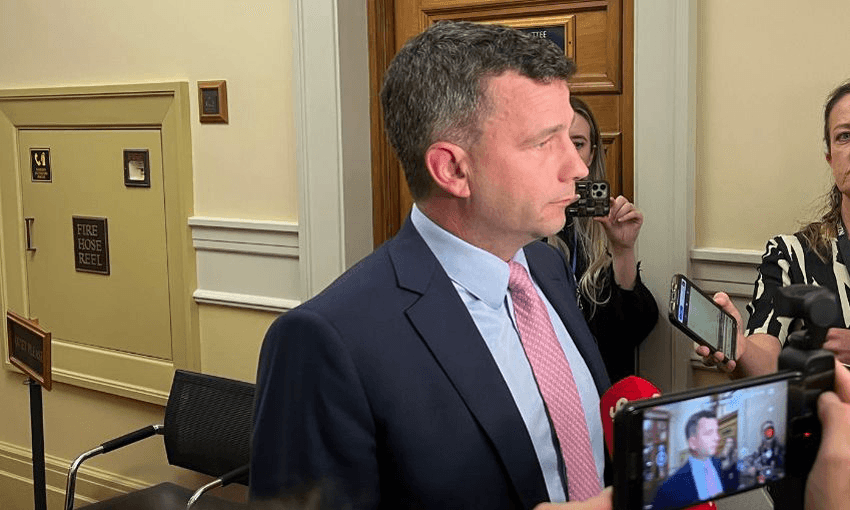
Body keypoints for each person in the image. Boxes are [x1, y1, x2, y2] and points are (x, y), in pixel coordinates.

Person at [250, 21, 613, 509]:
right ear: (453, 169)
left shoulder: (545, 267)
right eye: (545, 142)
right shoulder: (324, 343)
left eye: (571, 138)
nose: (578, 167)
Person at [699, 81, 850, 377]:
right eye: (845, 136)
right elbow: (767, 359)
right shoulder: (791, 256)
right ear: (829, 157)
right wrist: (739, 347)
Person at [548, 97, 658, 382]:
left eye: (578, 143)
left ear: (592, 154)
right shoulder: (520, 229)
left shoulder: (607, 223)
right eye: (555, 140)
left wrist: (623, 251)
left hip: (601, 393)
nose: (568, 154)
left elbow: (634, 328)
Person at [650, 410, 739, 510]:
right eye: (709, 433)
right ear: (693, 443)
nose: (718, 438)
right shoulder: (669, 489)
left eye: (716, 432)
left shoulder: (719, 464)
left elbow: (732, 490)